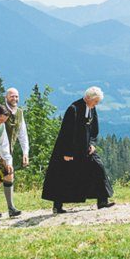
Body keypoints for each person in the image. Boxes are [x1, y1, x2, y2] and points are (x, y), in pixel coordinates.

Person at [42, 86, 114, 214]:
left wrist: (92, 143)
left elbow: (94, 129)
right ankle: (57, 206)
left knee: (98, 168)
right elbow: (65, 133)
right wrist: (67, 153)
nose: (97, 104)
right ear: (87, 98)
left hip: (86, 148)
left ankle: (102, 201)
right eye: (95, 101)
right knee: (63, 175)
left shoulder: (92, 108)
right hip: (70, 149)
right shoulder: (73, 109)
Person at [0, 87, 30, 220]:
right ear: (6, 97)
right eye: (12, 96)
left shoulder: (19, 112)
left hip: (8, 151)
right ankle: (9, 209)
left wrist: (25, 152)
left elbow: (22, 133)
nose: (14, 99)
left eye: (16, 96)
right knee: (6, 176)